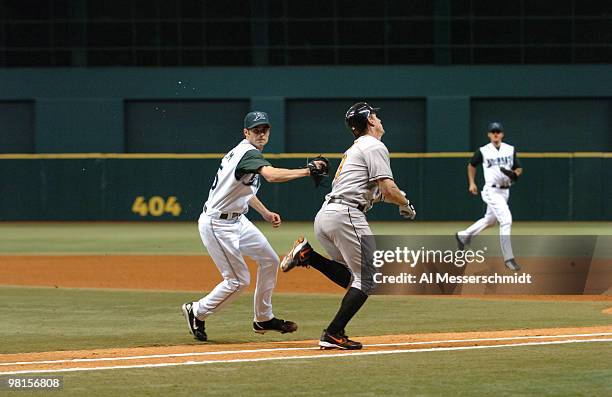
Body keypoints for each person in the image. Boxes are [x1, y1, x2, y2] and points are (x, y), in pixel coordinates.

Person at [181, 111, 328, 341]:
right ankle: (197, 311)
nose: (261, 134)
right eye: (256, 130)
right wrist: (308, 170)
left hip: (238, 220)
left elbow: (244, 191)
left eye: (264, 130)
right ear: (246, 132)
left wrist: (265, 213)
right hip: (218, 225)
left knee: (269, 260)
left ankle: (263, 318)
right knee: (238, 281)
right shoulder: (248, 153)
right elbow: (272, 176)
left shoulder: (243, 153)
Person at [280, 102, 416, 350]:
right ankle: (333, 333)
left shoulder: (356, 148)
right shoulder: (375, 145)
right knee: (369, 279)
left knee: (352, 278)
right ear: (371, 121)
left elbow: (377, 192)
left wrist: (396, 198)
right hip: (346, 215)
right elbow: (387, 188)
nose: (379, 119)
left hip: (327, 215)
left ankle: (308, 255)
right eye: (375, 116)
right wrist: (405, 202)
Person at [455, 122, 523, 271]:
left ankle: (463, 236)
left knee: (490, 221)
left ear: (502, 134)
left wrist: (515, 173)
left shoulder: (509, 149)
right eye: (493, 132)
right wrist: (472, 183)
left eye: (498, 131)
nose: (496, 134)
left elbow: (518, 168)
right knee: (506, 220)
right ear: (489, 134)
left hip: (505, 191)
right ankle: (509, 258)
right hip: (491, 191)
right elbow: (471, 165)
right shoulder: (483, 151)